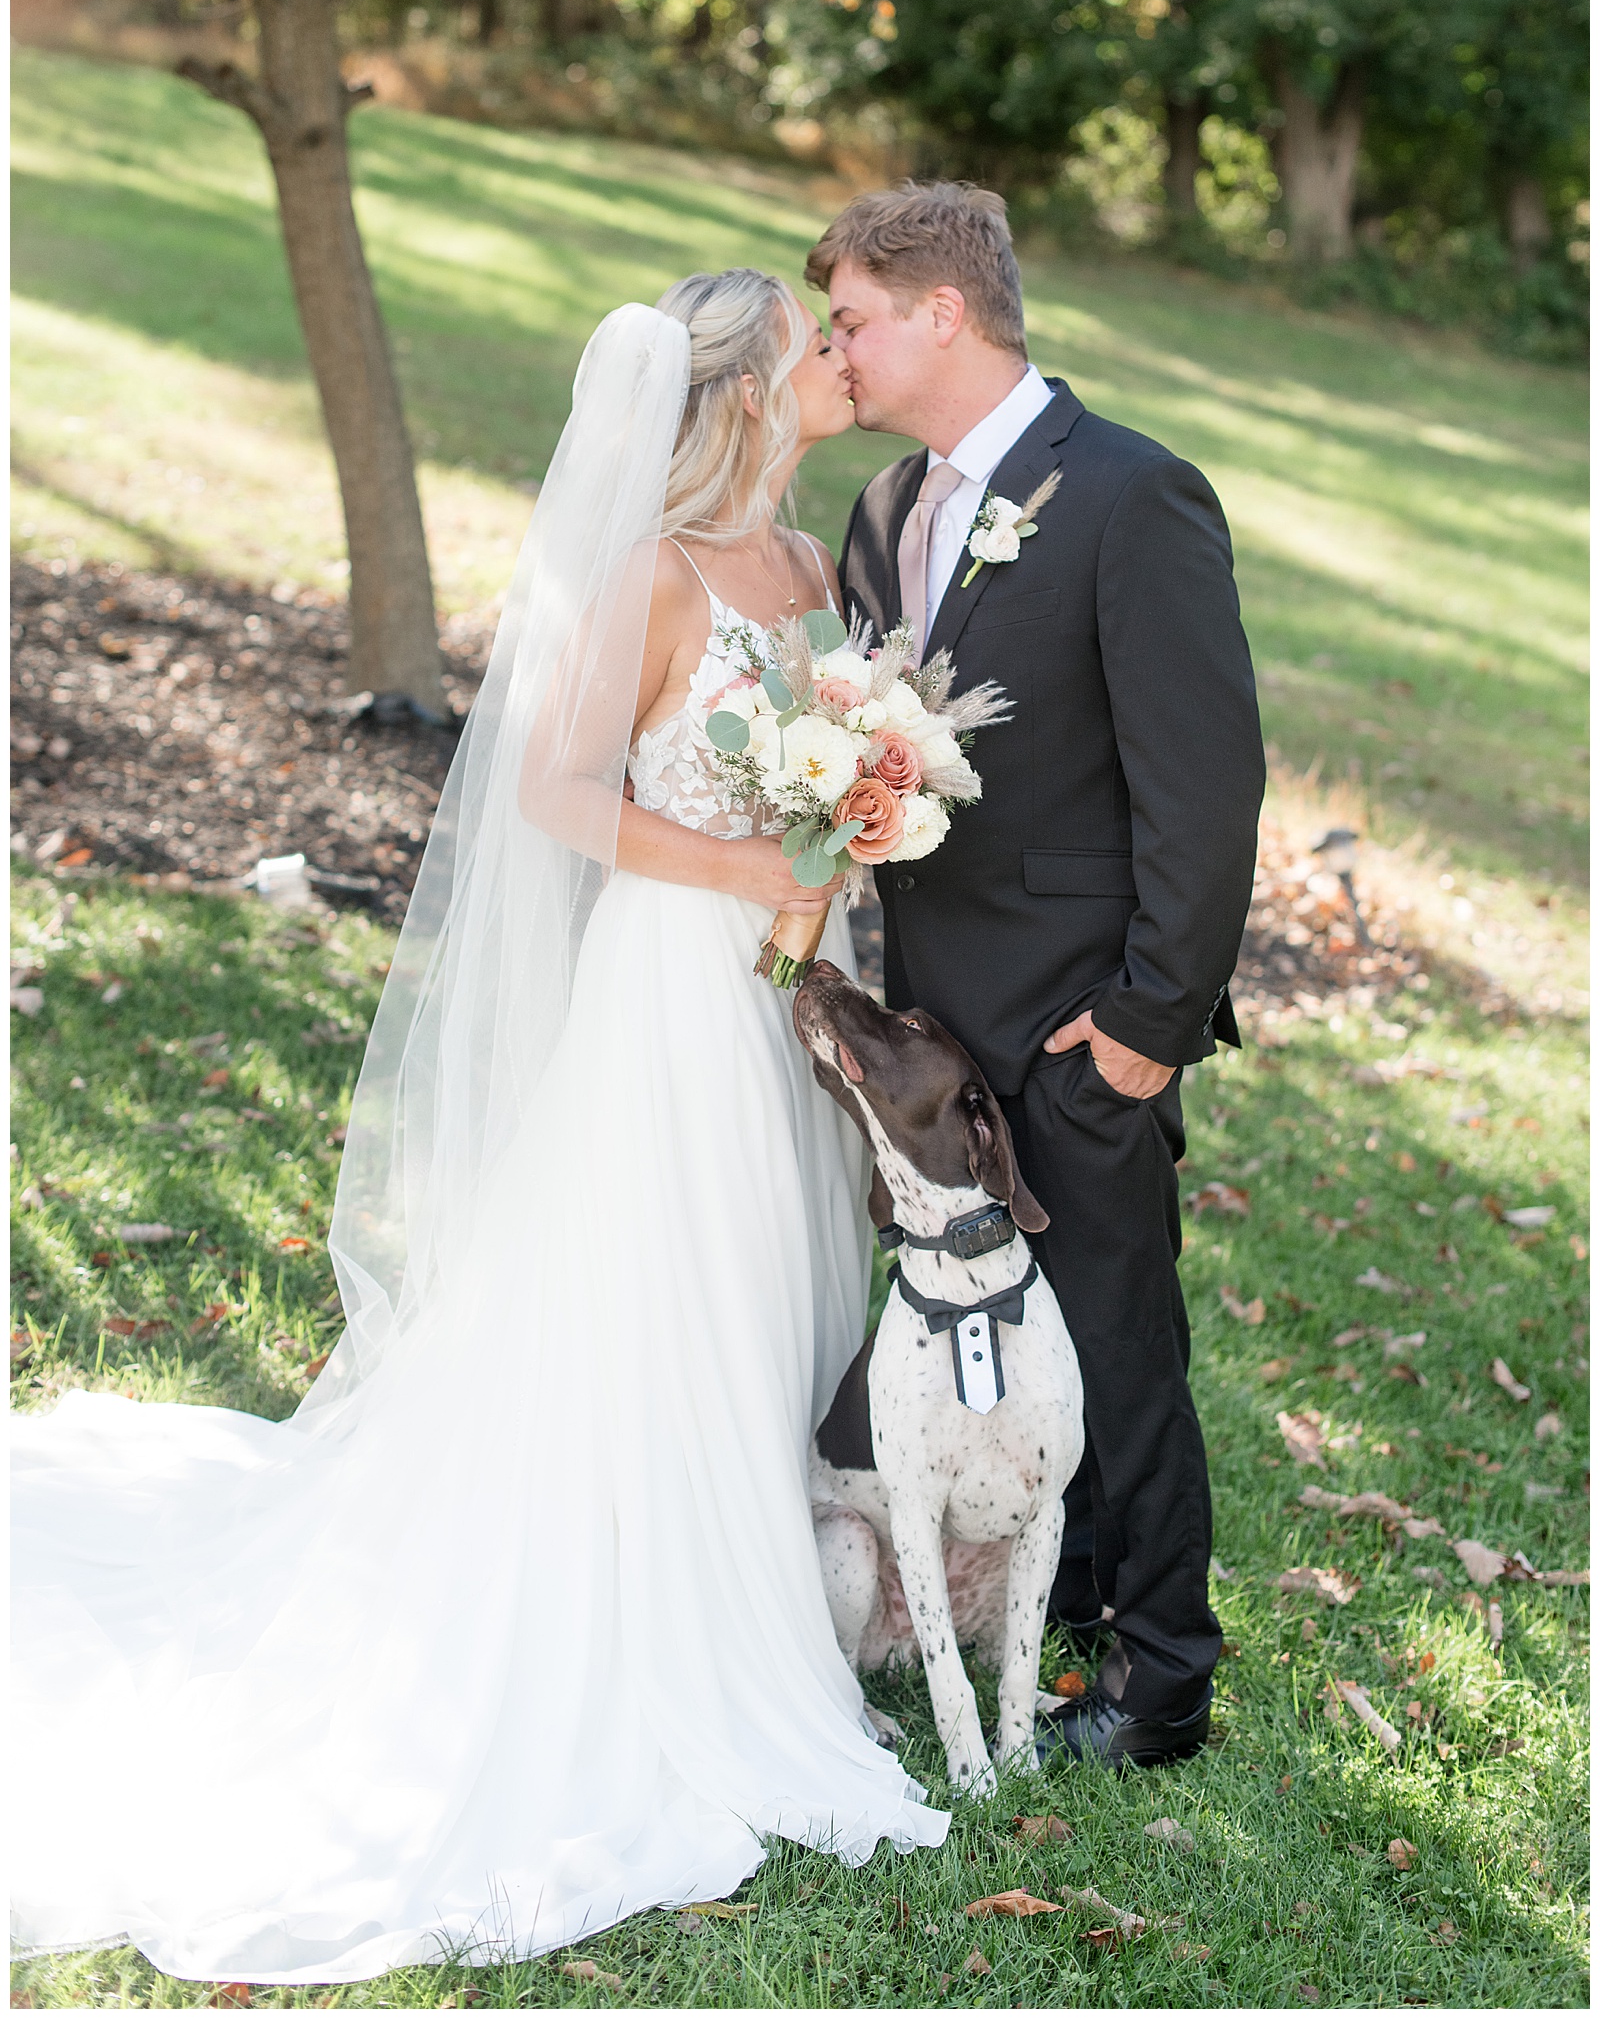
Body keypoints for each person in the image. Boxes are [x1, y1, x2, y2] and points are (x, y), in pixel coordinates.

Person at [10, 272, 947, 1991]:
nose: (834, 363)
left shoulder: (812, 574)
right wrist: (754, 862)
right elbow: (555, 790)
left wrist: (860, 815)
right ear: (740, 396)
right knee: (659, 1282)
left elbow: (822, 769)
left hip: (779, 997)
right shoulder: (653, 579)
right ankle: (646, 1599)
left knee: (758, 1291)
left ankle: (733, 1553)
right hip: (673, 992)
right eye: (808, 349)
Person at [815, 182, 1265, 1770]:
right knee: (976, 1325)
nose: (836, 349)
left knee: (1116, 1335)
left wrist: (1146, 1027)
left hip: (1084, 1020)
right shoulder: (885, 512)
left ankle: (1162, 1678)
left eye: (854, 318)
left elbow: (1205, 793)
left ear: (943, 312)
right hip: (939, 1019)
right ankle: (1055, 1598)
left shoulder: (1133, 496)